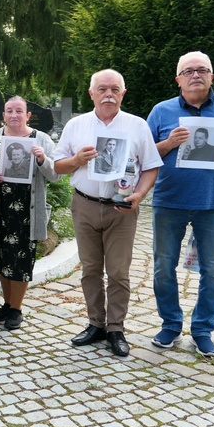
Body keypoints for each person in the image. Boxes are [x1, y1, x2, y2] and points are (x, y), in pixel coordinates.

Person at [147, 51, 214, 357]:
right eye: (189, 71)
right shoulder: (161, 111)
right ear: (178, 79)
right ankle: (170, 324)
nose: (195, 75)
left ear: (211, 76)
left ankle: (203, 329)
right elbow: (144, 154)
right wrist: (168, 143)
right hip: (169, 201)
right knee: (163, 267)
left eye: (202, 70)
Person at [53, 69, 162, 357]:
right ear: (91, 93)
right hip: (85, 204)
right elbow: (57, 165)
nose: (109, 95)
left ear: (123, 93)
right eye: (102, 89)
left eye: (115, 89)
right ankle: (95, 323)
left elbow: (151, 166)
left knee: (117, 272)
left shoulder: (137, 126)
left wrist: (139, 194)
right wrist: (76, 159)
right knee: (89, 269)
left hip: (122, 208)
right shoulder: (76, 126)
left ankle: (116, 328)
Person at [0, 96, 60, 330]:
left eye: (19, 111)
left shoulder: (41, 139)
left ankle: (16, 308)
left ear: (28, 115)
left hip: (26, 210)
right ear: (3, 115)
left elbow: (56, 175)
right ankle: (7, 303)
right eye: (9, 111)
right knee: (2, 257)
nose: (14, 115)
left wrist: (42, 159)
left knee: (21, 259)